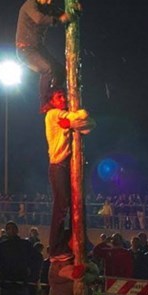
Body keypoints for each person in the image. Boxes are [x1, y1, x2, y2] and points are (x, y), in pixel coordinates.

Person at [43, 88, 96, 258]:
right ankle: (56, 246)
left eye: (63, 96)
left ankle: (73, 240)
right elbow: (82, 119)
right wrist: (78, 117)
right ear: (51, 101)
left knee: (75, 202)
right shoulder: (53, 114)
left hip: (68, 165)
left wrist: (73, 123)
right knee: (62, 204)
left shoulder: (63, 116)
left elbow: (90, 126)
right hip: (58, 165)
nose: (63, 99)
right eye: (59, 97)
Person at [15, 0, 81, 104]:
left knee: (60, 71)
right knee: (47, 69)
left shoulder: (47, 7)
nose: (49, 2)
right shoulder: (30, 4)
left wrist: (75, 11)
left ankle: (54, 95)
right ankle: (45, 102)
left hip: (38, 48)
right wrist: (58, 20)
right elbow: (39, 19)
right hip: (25, 50)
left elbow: (62, 14)